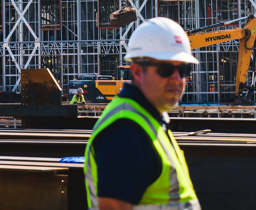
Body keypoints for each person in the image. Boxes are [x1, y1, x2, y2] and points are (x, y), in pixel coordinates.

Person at [85, 17, 200, 210]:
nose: (177, 78)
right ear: (137, 72)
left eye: (183, 69)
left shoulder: (149, 120)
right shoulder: (125, 131)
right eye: (166, 69)